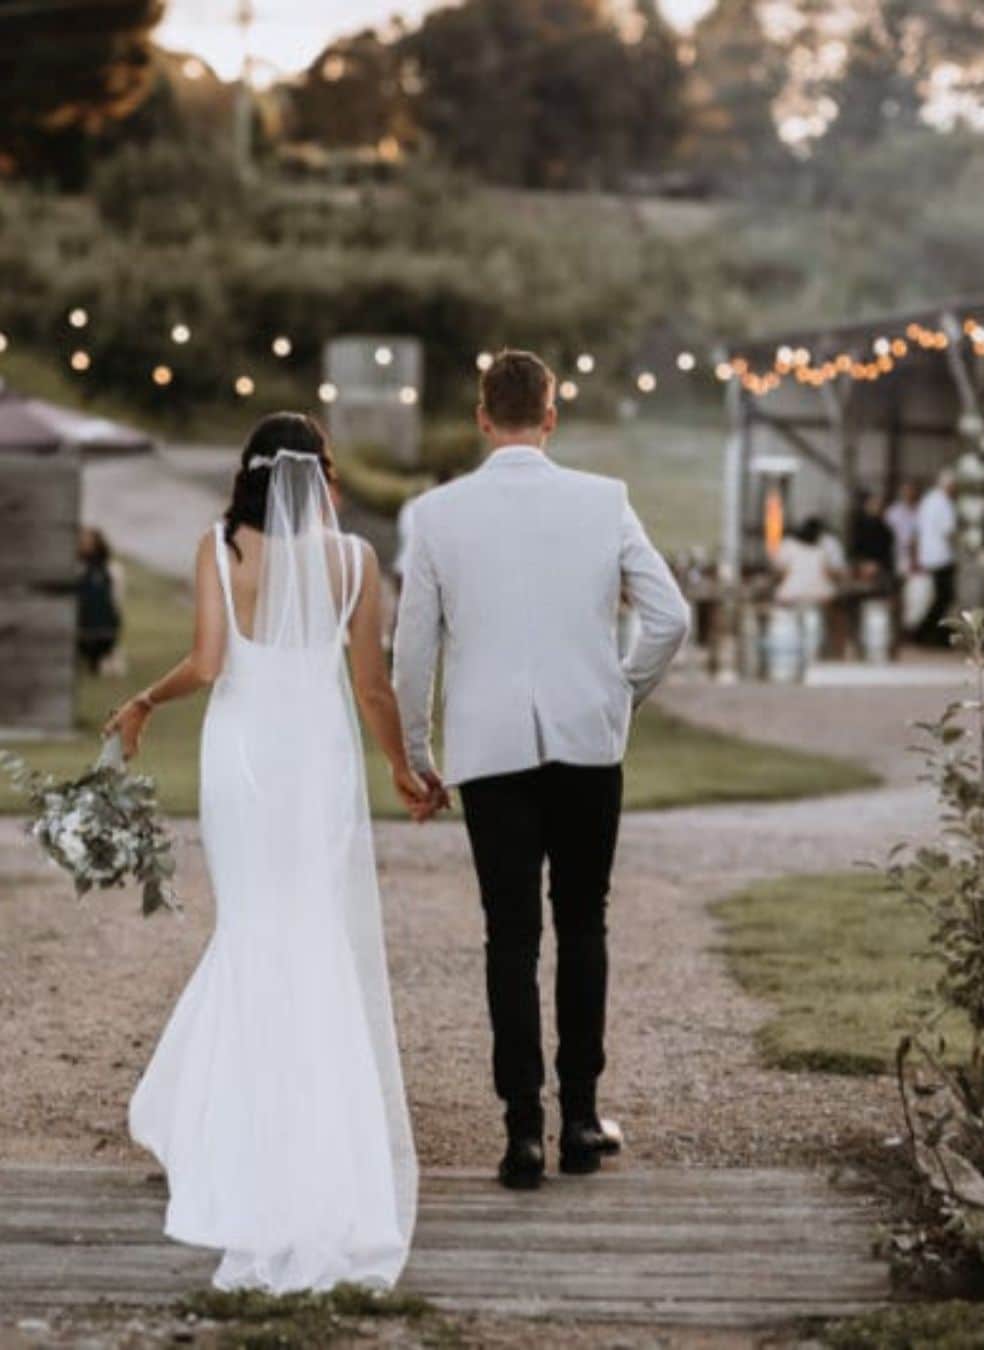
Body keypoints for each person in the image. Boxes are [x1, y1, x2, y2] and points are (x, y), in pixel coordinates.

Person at [104, 412, 426, 1293]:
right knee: (309, 931)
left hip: (242, 758)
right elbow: (369, 685)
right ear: (318, 474)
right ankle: (302, 1138)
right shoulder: (356, 562)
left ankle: (223, 1125)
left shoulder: (221, 547)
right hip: (319, 761)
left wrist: (143, 698)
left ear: (247, 472)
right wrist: (402, 766)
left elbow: (209, 664)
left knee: (252, 929)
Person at [393, 349, 689, 1190]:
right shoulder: (604, 502)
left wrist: (419, 758)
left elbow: (411, 655)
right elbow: (669, 616)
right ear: (550, 417)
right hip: (587, 742)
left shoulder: (439, 516)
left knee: (510, 936)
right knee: (584, 922)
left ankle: (521, 1131)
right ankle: (581, 1122)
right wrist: (620, 693)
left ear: (483, 418)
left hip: (489, 752)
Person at [915, 468, 958, 645]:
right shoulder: (944, 503)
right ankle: (924, 632)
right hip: (942, 556)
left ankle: (930, 633)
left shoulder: (928, 500)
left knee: (941, 597)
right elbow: (949, 531)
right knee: (944, 597)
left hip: (929, 555)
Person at [76, 527, 123, 674]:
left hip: (99, 633)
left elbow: (115, 604)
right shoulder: (80, 569)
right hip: (89, 632)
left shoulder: (112, 570)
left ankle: (101, 659)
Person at [773, 518, 840, 606]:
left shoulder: (789, 545)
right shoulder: (822, 549)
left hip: (791, 593)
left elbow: (781, 571)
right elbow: (828, 572)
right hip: (819, 594)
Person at [849, 491, 895, 584]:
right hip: (862, 566)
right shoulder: (859, 525)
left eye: (879, 505)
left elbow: (887, 551)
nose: (876, 508)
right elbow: (855, 546)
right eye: (873, 504)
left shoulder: (885, 529)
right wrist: (861, 564)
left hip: (879, 568)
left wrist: (878, 565)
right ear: (866, 506)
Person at [885, 481, 920, 577]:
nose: (909, 494)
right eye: (906, 491)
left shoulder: (921, 510)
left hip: (918, 555)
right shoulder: (893, 511)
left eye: (911, 491)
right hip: (899, 554)